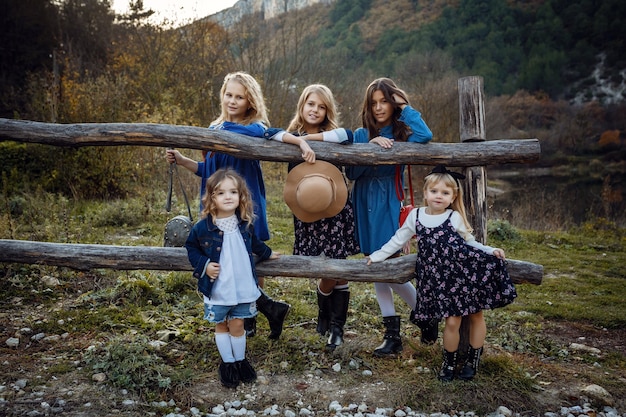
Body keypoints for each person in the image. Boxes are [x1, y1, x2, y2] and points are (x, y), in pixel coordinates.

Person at [167, 71, 312, 340]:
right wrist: (181, 159)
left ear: (250, 101)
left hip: (245, 203)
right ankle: (264, 311)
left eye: (239, 97)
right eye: (228, 95)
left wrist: (300, 141)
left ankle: (251, 317)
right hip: (218, 205)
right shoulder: (213, 130)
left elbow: (277, 135)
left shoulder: (254, 129)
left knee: (249, 259)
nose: (232, 101)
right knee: (228, 260)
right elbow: (208, 169)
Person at [367, 165, 517, 381]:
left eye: (445, 193)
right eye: (435, 191)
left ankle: (473, 361)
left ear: (453, 196)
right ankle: (449, 364)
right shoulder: (415, 216)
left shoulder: (453, 217)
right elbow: (398, 240)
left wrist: (490, 250)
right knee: (452, 321)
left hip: (464, 274)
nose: (439, 196)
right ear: (425, 193)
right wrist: (377, 256)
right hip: (439, 280)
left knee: (476, 315)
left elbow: (470, 242)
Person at [345, 77, 437, 357]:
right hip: (363, 202)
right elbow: (352, 174)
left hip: (387, 203)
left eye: (384, 101)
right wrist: (370, 148)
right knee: (376, 264)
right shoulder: (361, 135)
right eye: (373, 103)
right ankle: (401, 328)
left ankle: (421, 313)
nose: (379, 107)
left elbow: (426, 136)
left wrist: (405, 106)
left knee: (385, 263)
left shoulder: (402, 134)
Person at [279, 84, 360, 351]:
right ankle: (324, 309)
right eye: (311, 104)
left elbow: (347, 134)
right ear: (302, 105)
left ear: (327, 110)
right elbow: (270, 135)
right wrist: (297, 139)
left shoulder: (334, 135)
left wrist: (306, 141)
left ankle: (336, 327)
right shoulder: (289, 136)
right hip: (308, 211)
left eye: (321, 106)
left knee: (338, 267)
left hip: (335, 209)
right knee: (322, 268)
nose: (315, 110)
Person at [185, 168, 281, 388]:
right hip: (219, 286)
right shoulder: (203, 228)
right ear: (211, 198)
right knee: (221, 325)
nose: (228, 197)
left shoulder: (244, 224)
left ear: (241, 196)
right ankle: (227, 364)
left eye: (233, 192)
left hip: (242, 286)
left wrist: (267, 253)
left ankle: (240, 361)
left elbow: (255, 244)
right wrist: (205, 265)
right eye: (220, 193)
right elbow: (191, 248)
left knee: (238, 324)